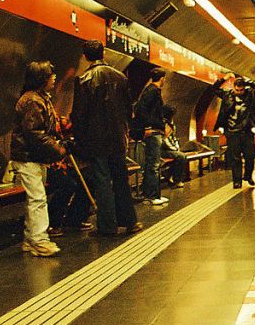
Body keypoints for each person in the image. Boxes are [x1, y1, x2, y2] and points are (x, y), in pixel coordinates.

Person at [72, 40, 142, 237]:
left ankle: (107, 226)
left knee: (102, 181)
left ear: (85, 56)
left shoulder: (84, 79)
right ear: (103, 54)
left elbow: (79, 114)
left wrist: (79, 140)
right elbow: (129, 109)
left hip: (96, 141)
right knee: (121, 180)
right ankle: (130, 221)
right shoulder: (121, 77)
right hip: (118, 139)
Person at [10, 61, 67, 256]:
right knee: (37, 199)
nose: (54, 78)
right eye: (50, 75)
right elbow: (33, 133)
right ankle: (39, 240)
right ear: (41, 78)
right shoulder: (32, 101)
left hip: (34, 157)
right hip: (28, 157)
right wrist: (58, 149)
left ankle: (30, 239)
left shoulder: (40, 98)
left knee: (36, 198)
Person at [47, 115, 93, 237]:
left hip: (59, 161)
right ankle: (53, 222)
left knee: (89, 179)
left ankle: (75, 218)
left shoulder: (52, 114)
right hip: (46, 163)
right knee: (67, 184)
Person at [211, 75, 255, 188]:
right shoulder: (227, 95)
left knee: (250, 156)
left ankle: (248, 175)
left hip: (246, 130)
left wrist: (248, 81)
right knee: (235, 157)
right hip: (232, 130)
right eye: (237, 90)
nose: (239, 92)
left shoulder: (250, 94)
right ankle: (237, 181)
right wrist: (223, 79)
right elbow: (214, 89)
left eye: (241, 90)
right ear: (233, 87)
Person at [133, 67, 168, 205]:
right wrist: (146, 128)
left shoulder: (150, 90)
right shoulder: (152, 91)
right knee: (153, 164)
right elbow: (140, 109)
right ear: (162, 79)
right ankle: (153, 196)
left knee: (152, 163)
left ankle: (150, 194)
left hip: (153, 130)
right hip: (153, 132)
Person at [161, 104, 190, 187]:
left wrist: (177, 147)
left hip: (170, 149)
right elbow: (164, 140)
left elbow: (173, 137)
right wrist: (175, 149)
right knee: (181, 156)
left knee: (182, 156)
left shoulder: (171, 124)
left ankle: (170, 175)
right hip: (163, 150)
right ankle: (177, 180)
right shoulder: (163, 124)